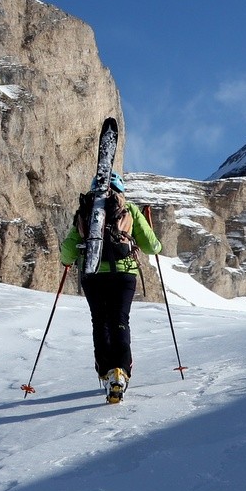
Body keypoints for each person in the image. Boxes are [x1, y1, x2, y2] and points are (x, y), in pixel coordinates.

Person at [59, 173, 161, 403]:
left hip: (93, 275)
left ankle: (106, 371)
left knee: (100, 321)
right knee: (120, 319)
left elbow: (68, 249)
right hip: (124, 274)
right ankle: (121, 371)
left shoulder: (87, 211)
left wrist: (67, 261)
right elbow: (151, 245)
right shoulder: (130, 209)